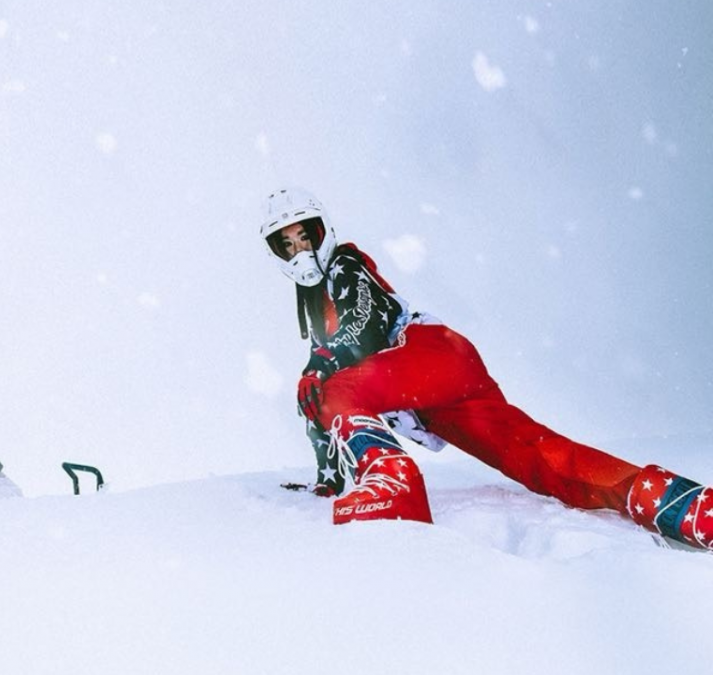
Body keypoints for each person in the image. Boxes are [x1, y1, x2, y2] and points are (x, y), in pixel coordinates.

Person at [261, 187, 713, 551]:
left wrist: (320, 367)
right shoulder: (317, 309)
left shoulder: (345, 266)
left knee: (331, 388)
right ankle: (676, 503)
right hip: (438, 392)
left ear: (323, 231)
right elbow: (321, 401)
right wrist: (328, 479)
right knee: (536, 457)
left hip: (425, 355)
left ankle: (393, 482)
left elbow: (364, 323)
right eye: (288, 245)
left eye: (305, 237)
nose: (300, 252)